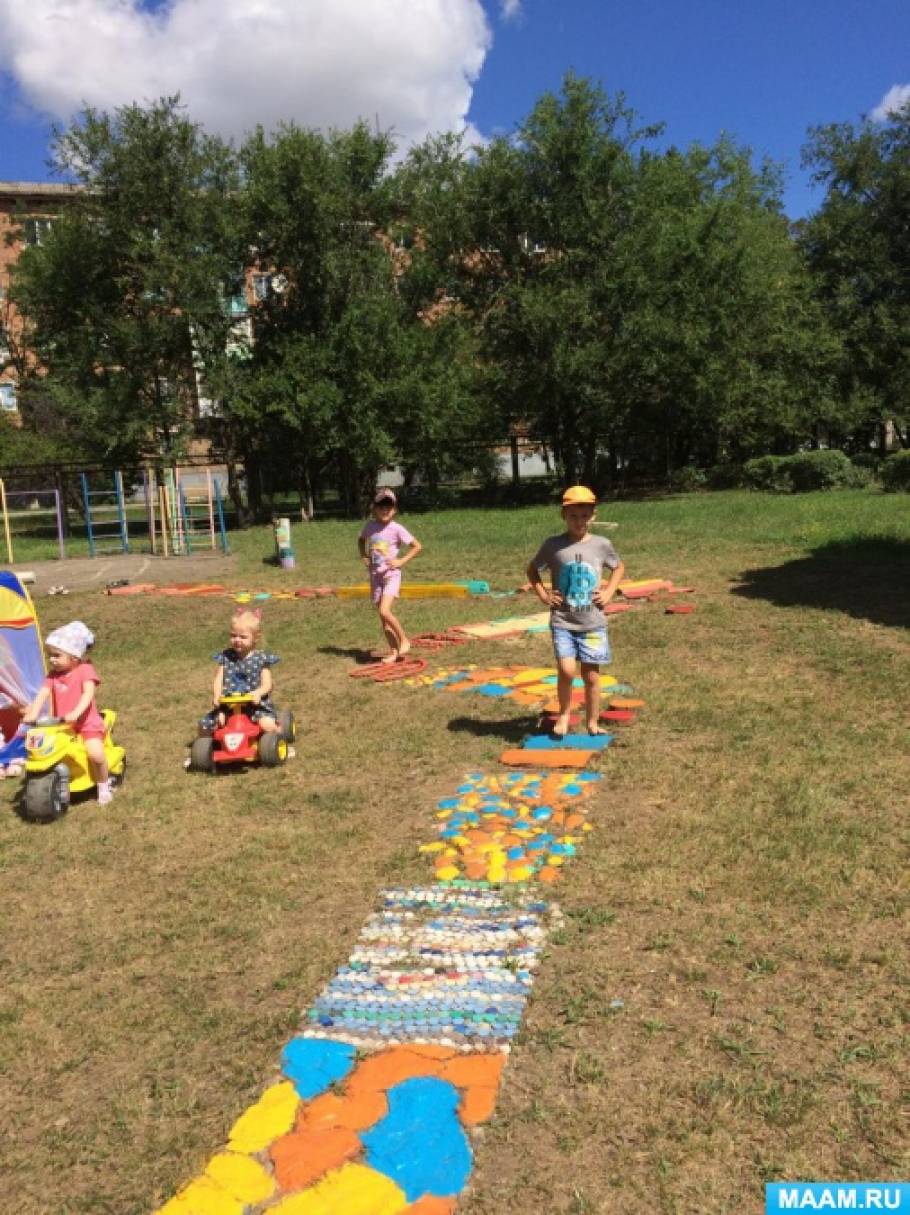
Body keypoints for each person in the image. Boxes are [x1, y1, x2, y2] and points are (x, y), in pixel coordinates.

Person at [527, 485, 625, 737]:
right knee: (567, 671)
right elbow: (532, 570)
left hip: (593, 621)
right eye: (573, 516)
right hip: (563, 621)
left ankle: (592, 722)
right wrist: (544, 594)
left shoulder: (602, 545)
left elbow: (618, 568)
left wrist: (609, 592)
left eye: (584, 516)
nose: (579, 521)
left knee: (591, 676)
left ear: (593, 515)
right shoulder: (553, 546)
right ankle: (564, 715)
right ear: (563, 515)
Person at [21, 620, 114, 804]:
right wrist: (33, 712)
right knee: (45, 749)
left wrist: (77, 712)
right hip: (61, 724)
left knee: (95, 753)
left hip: (86, 723)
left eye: (56, 655)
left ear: (74, 656)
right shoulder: (53, 675)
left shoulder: (85, 670)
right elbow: (43, 693)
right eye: (50, 655)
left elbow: (88, 693)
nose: (52, 659)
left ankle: (104, 784)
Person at [358, 488, 423, 663]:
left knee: (384, 610)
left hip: (391, 576)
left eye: (389, 506)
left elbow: (417, 546)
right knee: (383, 619)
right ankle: (393, 652)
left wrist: (401, 561)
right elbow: (361, 540)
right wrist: (364, 555)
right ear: (374, 508)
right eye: (381, 506)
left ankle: (405, 640)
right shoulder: (370, 526)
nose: (385, 510)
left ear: (394, 510)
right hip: (375, 577)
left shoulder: (397, 528)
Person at [199, 608, 281, 736]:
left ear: (255, 638)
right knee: (207, 725)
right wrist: (216, 695)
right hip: (229, 706)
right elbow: (218, 680)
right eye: (233, 635)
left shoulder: (261, 659)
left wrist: (258, 693)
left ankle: (280, 740)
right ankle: (208, 748)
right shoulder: (226, 657)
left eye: (243, 637)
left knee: (266, 724)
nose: (237, 640)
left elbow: (267, 684)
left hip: (255, 706)